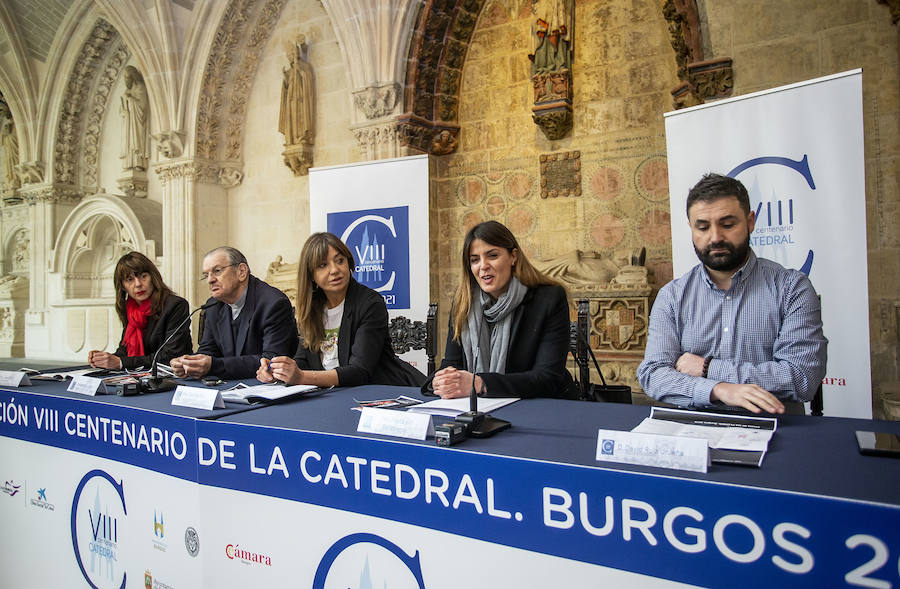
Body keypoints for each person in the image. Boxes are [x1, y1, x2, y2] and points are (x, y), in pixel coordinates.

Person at [637, 173, 827, 414]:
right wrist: (719, 389)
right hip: (694, 432)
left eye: (727, 224)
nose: (715, 237)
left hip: (776, 430)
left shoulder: (792, 288)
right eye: (703, 227)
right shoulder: (672, 297)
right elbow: (653, 375)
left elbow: (801, 377)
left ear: (750, 222)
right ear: (691, 228)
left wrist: (708, 368)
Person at [424, 220, 576, 399]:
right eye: (474, 260)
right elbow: (452, 364)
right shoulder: (463, 302)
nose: (483, 265)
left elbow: (548, 378)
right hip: (478, 407)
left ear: (513, 256)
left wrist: (481, 384)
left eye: (492, 255)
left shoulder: (548, 298)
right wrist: (441, 381)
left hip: (539, 406)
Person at [256, 233, 424, 387]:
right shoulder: (311, 308)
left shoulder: (370, 303)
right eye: (323, 265)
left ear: (348, 262)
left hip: (379, 392)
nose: (335, 270)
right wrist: (280, 372)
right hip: (332, 396)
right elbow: (303, 360)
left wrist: (300, 377)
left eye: (339, 260)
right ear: (311, 276)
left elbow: (359, 371)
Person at [171, 247, 298, 380]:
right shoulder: (213, 305)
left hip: (265, 389)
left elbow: (271, 361)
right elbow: (209, 350)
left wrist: (213, 366)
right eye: (205, 275)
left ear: (241, 271)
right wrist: (191, 364)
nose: (210, 280)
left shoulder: (273, 303)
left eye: (217, 271)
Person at [88, 251, 192, 371]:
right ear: (122, 286)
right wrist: (104, 359)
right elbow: (125, 350)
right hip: (142, 376)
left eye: (143, 276)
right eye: (130, 279)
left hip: (174, 376)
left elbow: (172, 356)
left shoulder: (175, 305)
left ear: (153, 277)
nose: (138, 284)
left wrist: (121, 362)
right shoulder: (131, 310)